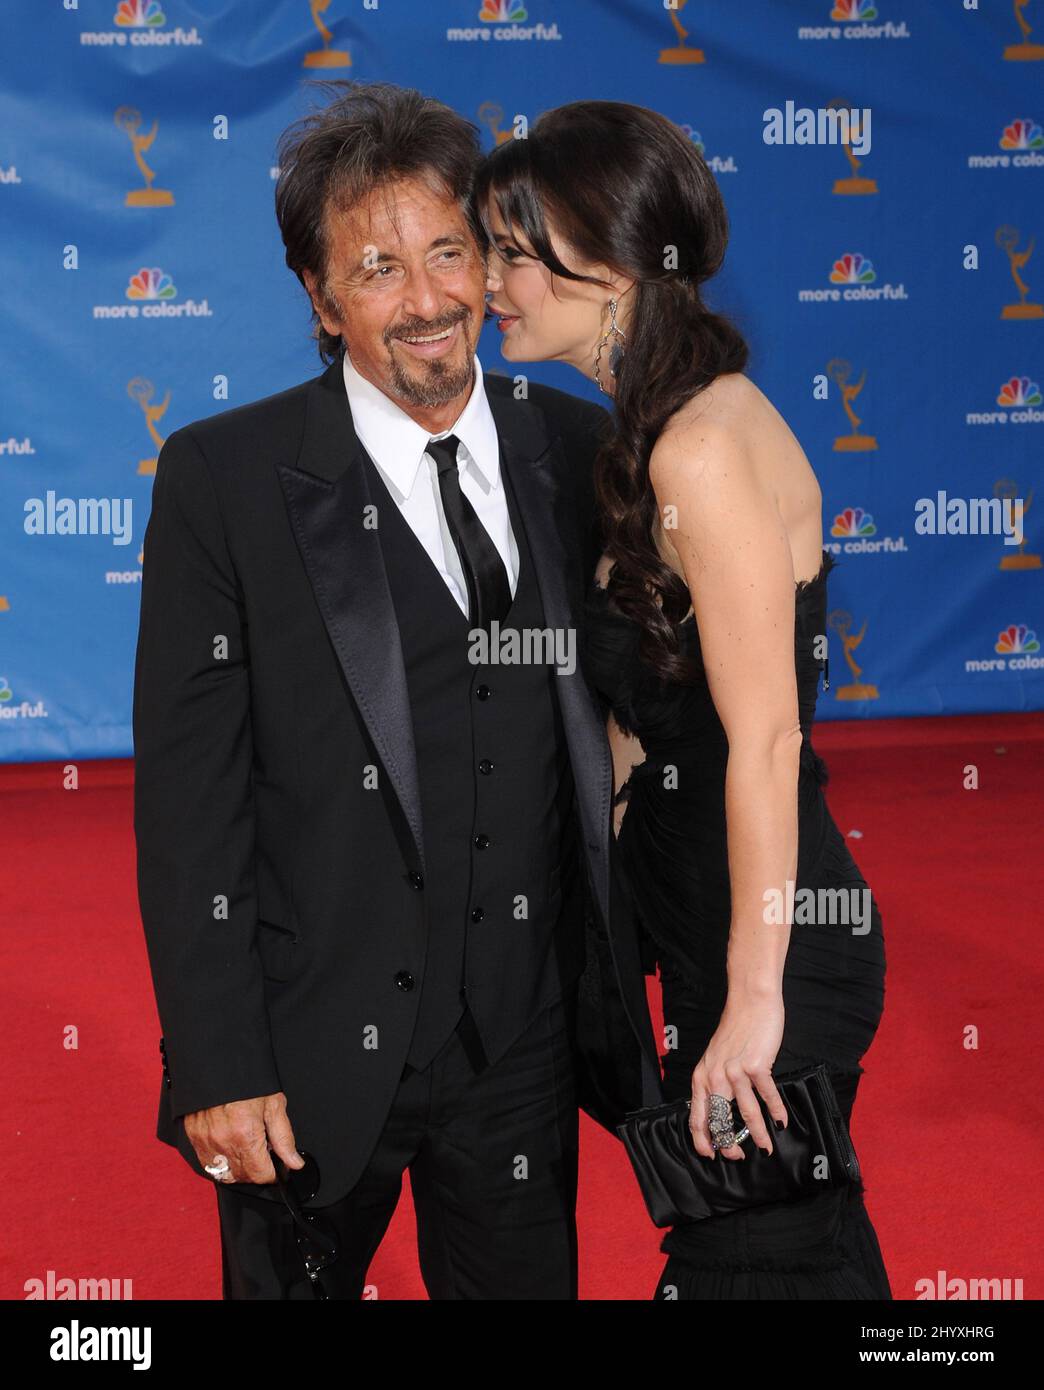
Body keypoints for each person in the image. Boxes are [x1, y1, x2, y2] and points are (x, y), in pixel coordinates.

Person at [132, 80, 616, 1300]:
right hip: (307, 1048)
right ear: (319, 296)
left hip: (519, 1040)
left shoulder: (571, 446)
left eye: (449, 251)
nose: (428, 301)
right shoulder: (226, 481)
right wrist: (216, 1058)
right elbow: (193, 804)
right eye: (378, 268)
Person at [477, 99, 893, 1299]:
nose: (492, 283)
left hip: (768, 942)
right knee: (793, 1251)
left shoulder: (699, 450)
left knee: (748, 1255)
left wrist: (755, 996)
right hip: (707, 924)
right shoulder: (659, 427)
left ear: (605, 259)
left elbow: (764, 742)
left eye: (515, 250)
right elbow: (657, 721)